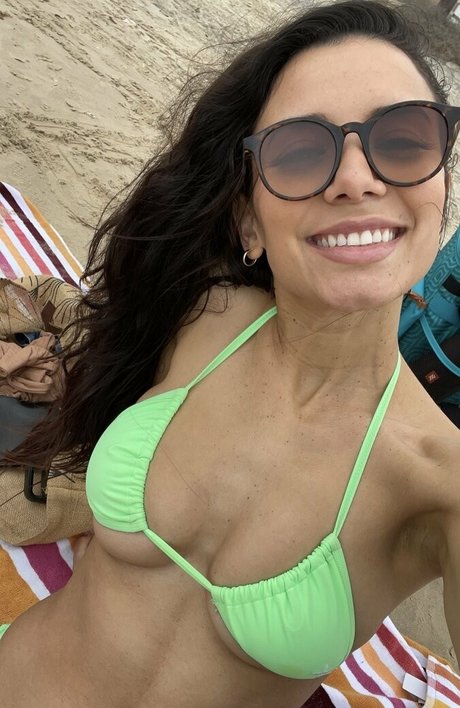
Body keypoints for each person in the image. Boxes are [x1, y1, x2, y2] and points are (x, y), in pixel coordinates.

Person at [0, 1, 459, 705]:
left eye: (404, 140)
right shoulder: (202, 315)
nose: (357, 178)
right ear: (249, 219)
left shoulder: (438, 487)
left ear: (441, 192)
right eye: (300, 150)